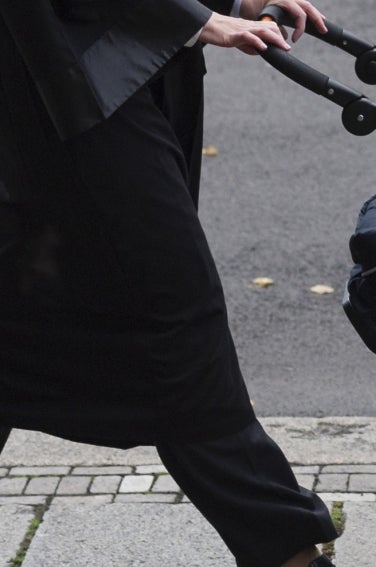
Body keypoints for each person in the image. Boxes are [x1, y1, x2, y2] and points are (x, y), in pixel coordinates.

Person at [0, 1, 339, 566]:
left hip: (127, 57)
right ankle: (289, 553)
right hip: (68, 69)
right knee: (177, 321)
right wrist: (190, 15)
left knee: (23, 306)